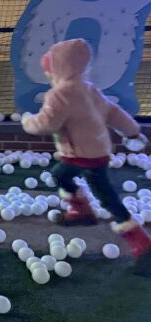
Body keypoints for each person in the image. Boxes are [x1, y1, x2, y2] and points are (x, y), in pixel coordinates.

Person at [21, 38, 150, 275]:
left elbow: (48, 123)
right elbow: (114, 113)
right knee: (106, 196)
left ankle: (80, 210)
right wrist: (133, 132)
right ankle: (140, 242)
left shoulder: (60, 94)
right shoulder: (90, 90)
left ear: (59, 69)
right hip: (98, 154)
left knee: (60, 175)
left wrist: (28, 121)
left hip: (79, 154)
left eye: (50, 71)